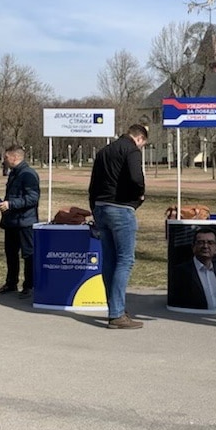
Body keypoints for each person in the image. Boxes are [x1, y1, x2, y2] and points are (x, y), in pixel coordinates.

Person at [89, 124, 148, 329]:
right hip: (121, 208)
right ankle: (117, 314)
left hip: (101, 207)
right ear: (140, 138)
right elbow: (135, 176)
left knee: (110, 261)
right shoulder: (131, 149)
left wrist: (94, 208)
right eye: (143, 145)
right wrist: (139, 193)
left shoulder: (104, 151)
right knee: (125, 260)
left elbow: (93, 183)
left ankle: (115, 307)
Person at [0, 145, 40, 298]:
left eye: (6, 157)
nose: (4, 160)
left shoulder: (28, 174)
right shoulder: (14, 173)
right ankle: (11, 283)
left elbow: (33, 198)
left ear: (14, 157)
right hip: (12, 221)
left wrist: (11, 204)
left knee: (28, 254)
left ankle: (29, 286)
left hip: (25, 221)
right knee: (11, 253)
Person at [168, 227, 216, 310]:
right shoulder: (180, 272)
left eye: (210, 242)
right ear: (193, 247)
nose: (205, 246)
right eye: (201, 242)